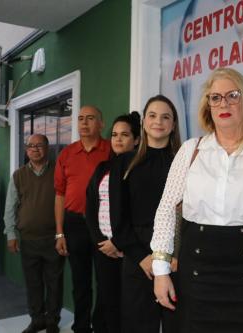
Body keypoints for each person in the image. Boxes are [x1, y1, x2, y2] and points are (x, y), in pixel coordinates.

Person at [151, 68, 243, 333]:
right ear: (207, 105)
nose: (224, 104)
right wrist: (161, 270)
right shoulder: (190, 150)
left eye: (232, 95)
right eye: (215, 97)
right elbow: (165, 210)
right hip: (195, 276)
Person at [120, 95, 181, 333]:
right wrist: (143, 258)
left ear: (173, 124)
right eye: (153, 116)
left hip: (173, 259)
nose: (159, 121)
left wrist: (175, 256)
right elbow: (119, 220)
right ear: (144, 122)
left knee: (175, 325)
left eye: (166, 117)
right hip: (137, 258)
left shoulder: (184, 162)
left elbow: (187, 215)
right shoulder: (124, 162)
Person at [54, 105, 111, 333]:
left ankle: (101, 325)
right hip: (74, 224)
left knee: (105, 281)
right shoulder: (66, 154)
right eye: (80, 119)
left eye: (90, 118)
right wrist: (59, 232)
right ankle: (81, 327)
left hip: (104, 225)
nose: (84, 123)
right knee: (80, 281)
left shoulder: (111, 150)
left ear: (101, 124)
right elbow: (59, 195)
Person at [85, 112, 141, 333]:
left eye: (125, 135)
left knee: (128, 304)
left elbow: (137, 212)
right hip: (103, 248)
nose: (118, 139)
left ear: (136, 139)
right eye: (115, 134)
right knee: (107, 300)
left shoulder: (139, 169)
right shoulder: (102, 168)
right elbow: (91, 208)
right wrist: (102, 242)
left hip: (130, 249)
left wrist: (119, 243)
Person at [4, 134, 65, 333]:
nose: (35, 149)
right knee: (33, 283)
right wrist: (11, 234)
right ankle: (37, 319)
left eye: (39, 145)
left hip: (53, 239)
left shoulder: (59, 171)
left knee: (54, 283)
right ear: (26, 150)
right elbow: (10, 207)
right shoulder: (18, 175)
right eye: (31, 146)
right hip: (28, 240)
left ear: (48, 148)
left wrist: (61, 234)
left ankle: (52, 321)